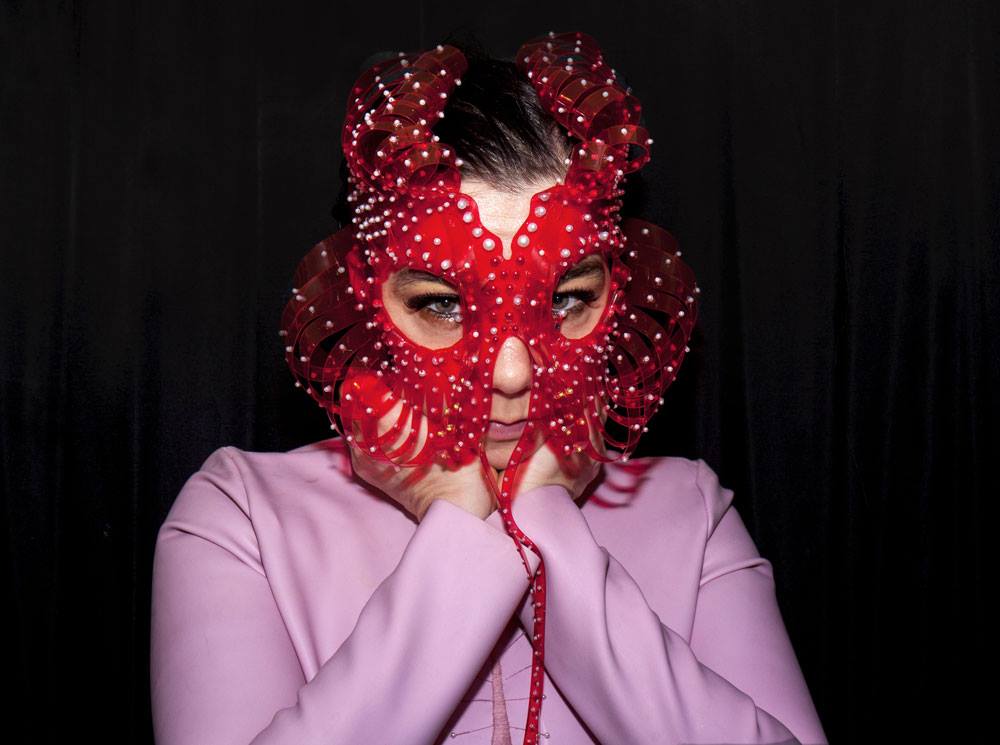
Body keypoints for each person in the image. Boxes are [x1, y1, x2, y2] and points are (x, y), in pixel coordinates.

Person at [150, 31, 828, 745]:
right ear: (362, 296)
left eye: (566, 299)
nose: (512, 373)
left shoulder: (691, 514)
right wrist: (454, 522)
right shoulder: (243, 519)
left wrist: (548, 528)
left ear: (617, 291)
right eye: (442, 304)